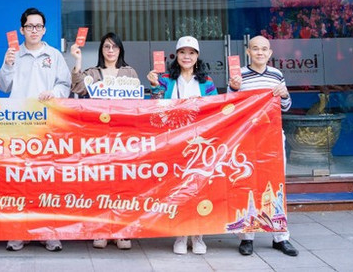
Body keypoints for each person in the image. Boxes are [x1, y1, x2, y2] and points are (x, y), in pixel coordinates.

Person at [0, 7, 71, 252]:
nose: (34, 30)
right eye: (29, 26)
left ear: (44, 29)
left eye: (38, 26)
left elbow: (65, 84)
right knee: (19, 180)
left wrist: (55, 93)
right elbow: (3, 86)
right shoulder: (13, 54)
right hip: (18, 125)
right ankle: (19, 232)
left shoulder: (54, 55)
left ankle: (48, 232)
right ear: (22, 29)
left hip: (47, 125)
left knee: (47, 179)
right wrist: (7, 65)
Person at [227, 35, 299, 257]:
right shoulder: (240, 75)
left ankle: (280, 237)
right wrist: (233, 88)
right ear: (248, 51)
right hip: (247, 138)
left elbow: (285, 107)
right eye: (255, 49)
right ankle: (246, 237)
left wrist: (285, 94)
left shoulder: (276, 74)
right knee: (248, 184)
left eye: (264, 49)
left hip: (273, 137)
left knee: (276, 185)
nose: (259, 52)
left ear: (270, 53)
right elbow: (230, 107)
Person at [147, 35, 216, 255]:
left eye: (191, 53)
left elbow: (216, 109)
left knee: (199, 187)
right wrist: (154, 86)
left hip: (199, 144)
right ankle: (180, 234)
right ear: (176, 55)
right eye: (183, 52)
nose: (187, 56)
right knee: (177, 188)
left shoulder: (206, 82)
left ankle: (198, 235)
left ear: (197, 57)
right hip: (174, 142)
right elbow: (155, 107)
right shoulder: (166, 79)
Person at [70, 32, 137, 250]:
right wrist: (77, 61)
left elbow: (136, 103)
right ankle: (101, 229)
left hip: (122, 137)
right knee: (99, 184)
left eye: (114, 47)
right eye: (106, 47)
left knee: (122, 185)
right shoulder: (92, 72)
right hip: (97, 136)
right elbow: (78, 89)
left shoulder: (129, 72)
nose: (110, 51)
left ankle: (122, 231)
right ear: (101, 50)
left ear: (120, 50)